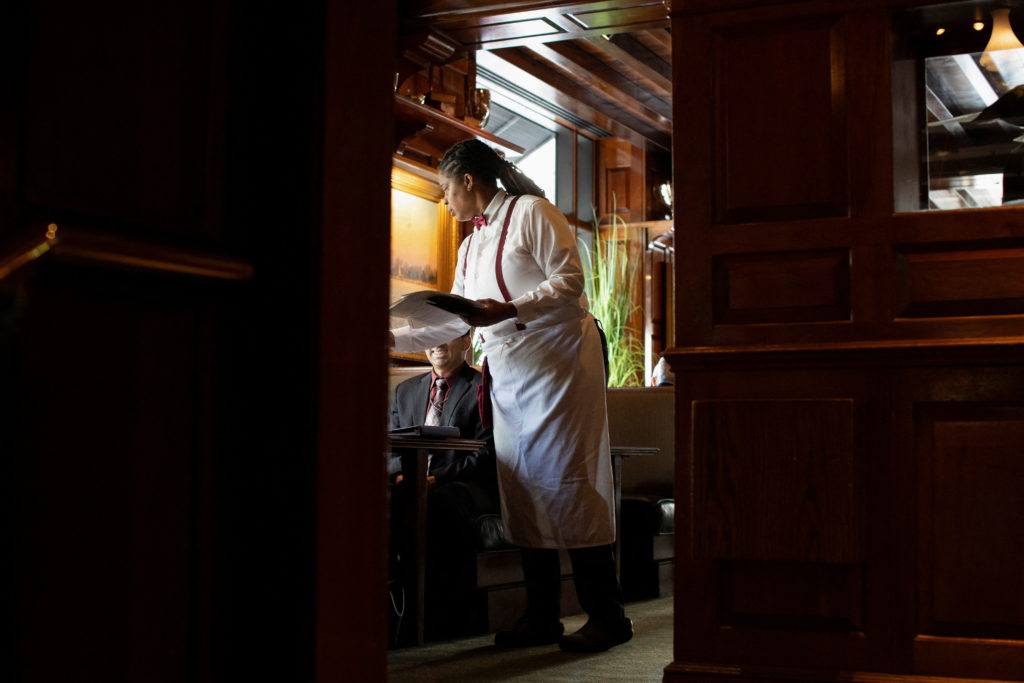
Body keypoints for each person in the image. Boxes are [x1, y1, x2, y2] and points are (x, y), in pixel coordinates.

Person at [388, 138, 632, 653]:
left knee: (570, 482)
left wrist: (508, 308)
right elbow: (454, 321)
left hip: (559, 364)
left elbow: (570, 281)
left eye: (447, 189)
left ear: (468, 180)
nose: (446, 201)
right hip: (509, 372)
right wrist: (393, 337)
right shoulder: (469, 245)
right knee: (521, 488)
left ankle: (608, 616)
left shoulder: (533, 212)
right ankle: (542, 616)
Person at [388, 331, 498, 639]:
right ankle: (393, 611)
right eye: (431, 337)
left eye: (445, 336)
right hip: (410, 481)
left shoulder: (483, 387)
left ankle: (440, 618)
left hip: (464, 485)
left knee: (437, 504)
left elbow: (487, 452)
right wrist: (401, 475)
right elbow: (389, 448)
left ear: (466, 341)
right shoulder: (405, 391)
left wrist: (436, 478)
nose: (437, 344)